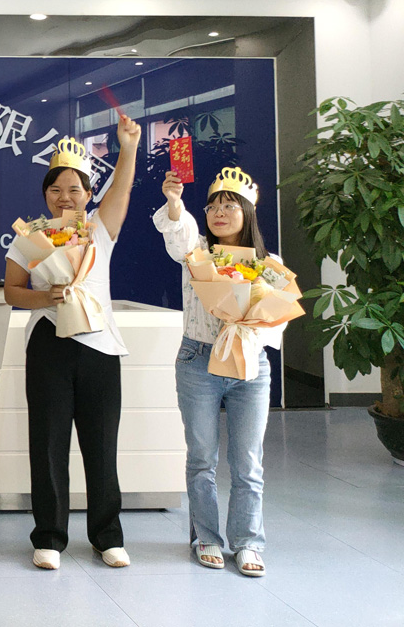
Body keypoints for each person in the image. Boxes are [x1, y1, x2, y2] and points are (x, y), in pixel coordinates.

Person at [3, 116, 141, 571]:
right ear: (45, 194)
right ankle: (49, 537)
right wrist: (47, 296)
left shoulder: (99, 228)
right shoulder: (29, 238)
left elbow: (122, 188)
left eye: (75, 189)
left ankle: (107, 536)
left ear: (88, 193)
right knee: (48, 444)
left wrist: (128, 147)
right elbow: (12, 292)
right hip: (49, 343)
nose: (65, 197)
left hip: (100, 346)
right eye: (56, 189)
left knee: (102, 446)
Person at [154, 165, 278, 577]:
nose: (219, 213)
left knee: (248, 461)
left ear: (248, 212)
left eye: (229, 206)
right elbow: (179, 232)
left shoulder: (269, 264)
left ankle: (248, 542)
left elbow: (278, 318)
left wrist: (250, 321)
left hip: (250, 363)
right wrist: (175, 203)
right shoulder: (197, 253)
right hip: (199, 360)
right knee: (202, 456)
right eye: (212, 207)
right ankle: (205, 537)